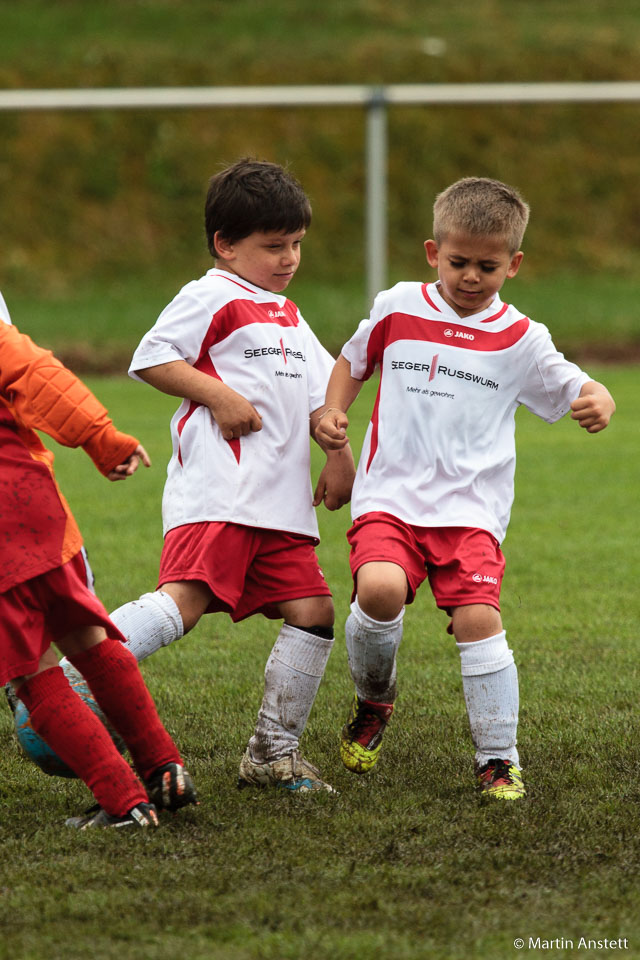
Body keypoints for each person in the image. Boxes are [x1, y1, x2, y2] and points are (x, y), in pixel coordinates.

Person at [315, 176, 615, 799]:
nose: (471, 276)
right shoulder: (398, 305)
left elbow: (573, 385)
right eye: (458, 263)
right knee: (378, 590)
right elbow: (352, 359)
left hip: (471, 511)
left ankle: (498, 758)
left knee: (480, 619)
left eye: (488, 265)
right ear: (433, 252)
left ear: (515, 264)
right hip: (390, 497)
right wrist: (332, 414)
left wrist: (600, 398)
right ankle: (375, 702)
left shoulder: (522, 338)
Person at [107, 158, 355, 793]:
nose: (290, 258)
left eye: (296, 244)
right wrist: (217, 397)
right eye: (274, 247)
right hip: (223, 495)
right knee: (185, 605)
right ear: (225, 244)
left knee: (314, 611)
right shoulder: (212, 294)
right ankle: (78, 677)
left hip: (280, 507)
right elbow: (152, 357)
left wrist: (333, 445)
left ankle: (272, 755)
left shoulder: (288, 316)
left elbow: (321, 396)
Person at [0, 298, 197, 829]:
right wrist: (102, 439)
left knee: (34, 677)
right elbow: (39, 374)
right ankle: (164, 767)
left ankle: (124, 802)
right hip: (35, 507)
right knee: (89, 639)